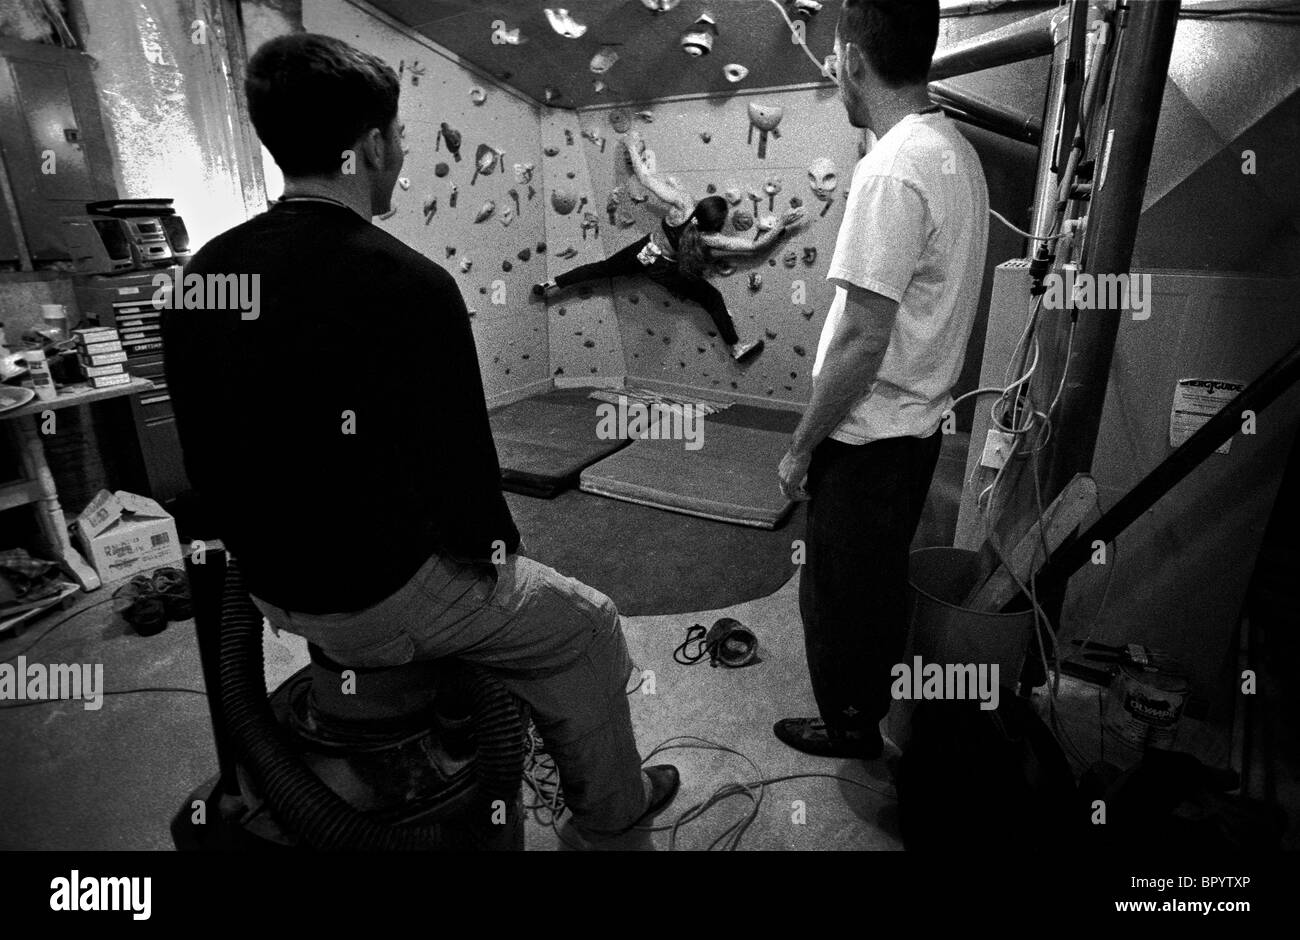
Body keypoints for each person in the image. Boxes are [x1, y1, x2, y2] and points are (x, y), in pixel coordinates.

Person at [162, 32, 679, 841]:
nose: (401, 152)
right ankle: (610, 821)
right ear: (368, 146)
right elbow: (469, 493)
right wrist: (501, 582)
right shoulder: (412, 285)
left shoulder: (204, 277)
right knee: (586, 625)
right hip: (383, 596)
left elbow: (201, 463)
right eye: (397, 135)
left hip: (268, 585)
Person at [773, 0, 989, 758]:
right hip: (916, 430)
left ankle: (852, 727)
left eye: (833, 56)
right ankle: (871, 706)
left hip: (869, 440)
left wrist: (801, 446)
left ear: (852, 58)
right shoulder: (953, 151)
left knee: (837, 598)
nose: (833, 70)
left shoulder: (891, 168)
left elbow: (864, 340)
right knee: (871, 585)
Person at [533, 130, 806, 363]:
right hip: (667, 270)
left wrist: (629, 143)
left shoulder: (683, 203)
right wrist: (782, 222)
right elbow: (754, 247)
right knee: (712, 298)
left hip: (644, 252)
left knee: (601, 269)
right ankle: (735, 347)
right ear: (718, 224)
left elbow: (646, 179)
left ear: (700, 204)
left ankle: (552, 283)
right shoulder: (710, 239)